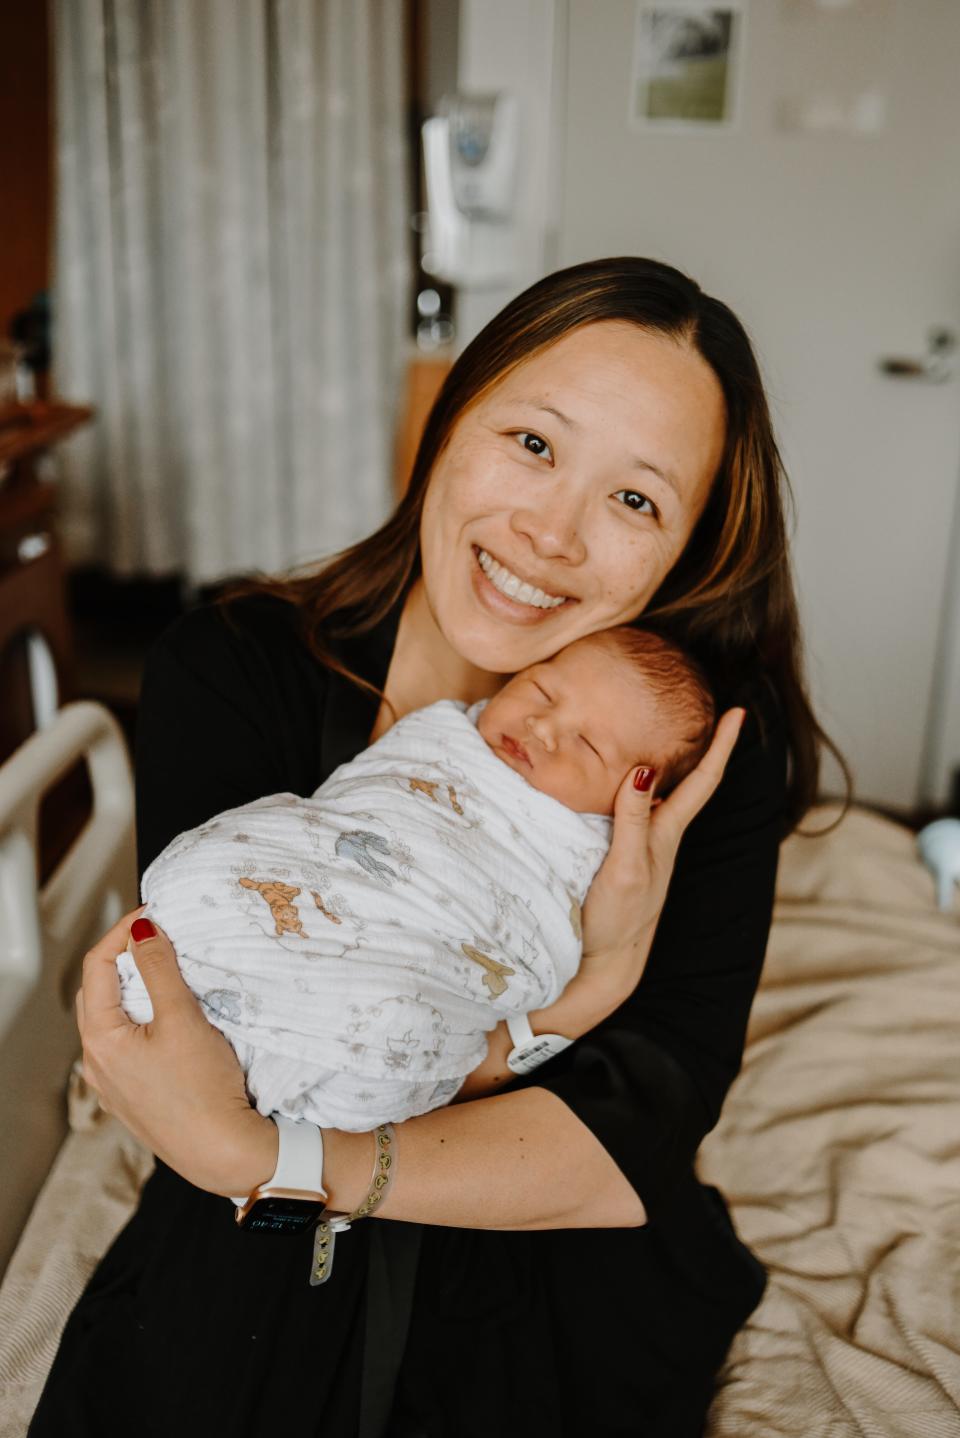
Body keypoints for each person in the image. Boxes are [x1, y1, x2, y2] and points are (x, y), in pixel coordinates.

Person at [30, 257, 843, 1438]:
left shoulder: (684, 759)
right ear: (448, 414)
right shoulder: (235, 664)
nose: (550, 533)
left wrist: (268, 1153)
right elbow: (197, 1034)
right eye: (533, 443)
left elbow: (630, 1142)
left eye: (636, 501)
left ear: (686, 552)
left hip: (539, 1260)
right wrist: (572, 1007)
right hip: (246, 1241)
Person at [114, 627, 715, 1131]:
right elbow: (355, 805)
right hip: (323, 877)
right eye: (541, 689)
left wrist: (607, 959)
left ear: (629, 800)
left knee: (395, 1016)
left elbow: (531, 934)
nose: (542, 726)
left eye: (586, 744)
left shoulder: (588, 847)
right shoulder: (444, 734)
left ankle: (279, 1065)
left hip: (407, 971)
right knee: (226, 862)